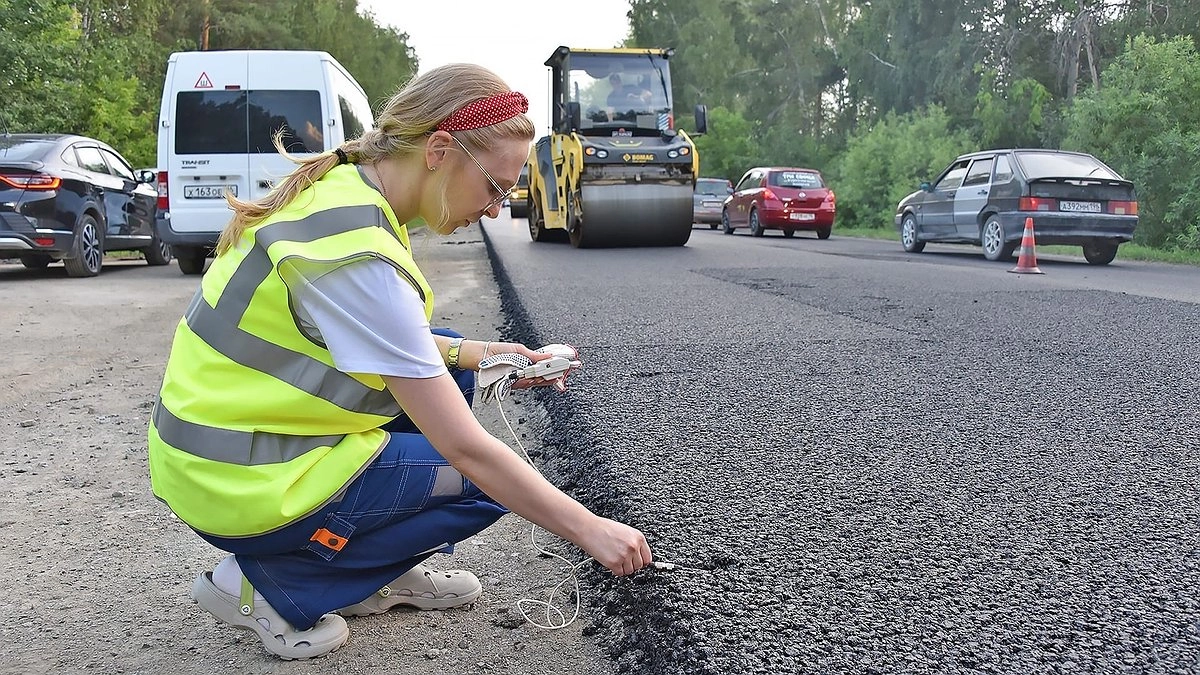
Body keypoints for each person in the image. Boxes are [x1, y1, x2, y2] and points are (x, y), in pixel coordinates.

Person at [147, 63, 653, 660]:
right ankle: (266, 586)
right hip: (240, 481)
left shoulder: (345, 193)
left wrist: (488, 355)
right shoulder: (360, 257)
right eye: (493, 188)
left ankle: (371, 573)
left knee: (456, 362)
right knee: (483, 484)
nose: (495, 211)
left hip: (222, 452)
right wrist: (592, 530)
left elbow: (390, 339)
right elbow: (466, 448)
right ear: (440, 150)